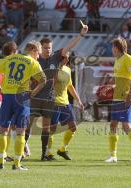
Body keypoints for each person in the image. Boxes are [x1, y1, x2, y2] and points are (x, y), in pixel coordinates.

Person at [24, 24, 88, 161]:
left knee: (47, 127)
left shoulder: (55, 58)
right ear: (40, 49)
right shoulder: (34, 59)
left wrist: (81, 35)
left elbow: (69, 47)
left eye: (50, 48)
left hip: (49, 98)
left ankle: (43, 155)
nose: (48, 50)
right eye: (45, 48)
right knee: (28, 124)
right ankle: (22, 150)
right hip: (35, 96)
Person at [0, 41, 46, 170]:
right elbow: (43, 80)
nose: (38, 56)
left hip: (7, 96)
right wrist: (33, 93)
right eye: (38, 53)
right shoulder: (32, 62)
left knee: (3, 129)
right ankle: (16, 164)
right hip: (22, 97)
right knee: (20, 131)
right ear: (32, 50)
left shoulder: (10, 58)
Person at [105, 37, 131, 163]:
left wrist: (129, 94)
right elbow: (121, 78)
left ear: (117, 47)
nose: (112, 49)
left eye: (113, 46)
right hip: (116, 97)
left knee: (126, 126)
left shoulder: (128, 58)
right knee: (113, 125)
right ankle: (113, 156)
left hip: (126, 97)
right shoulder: (117, 60)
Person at [47, 52, 84, 160]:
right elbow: (49, 86)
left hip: (66, 103)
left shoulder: (67, 70)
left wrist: (79, 101)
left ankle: (62, 149)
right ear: (61, 59)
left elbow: (70, 86)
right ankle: (48, 152)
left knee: (73, 127)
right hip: (54, 103)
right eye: (66, 58)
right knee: (52, 129)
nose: (67, 60)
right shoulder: (53, 70)